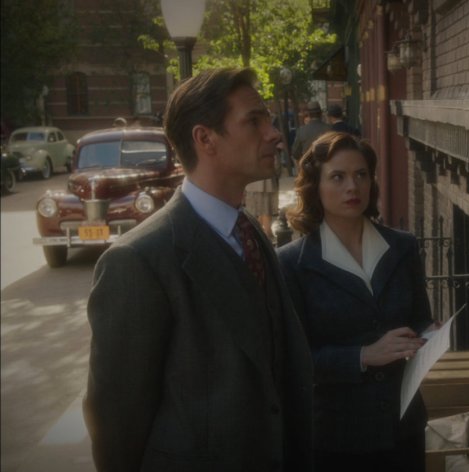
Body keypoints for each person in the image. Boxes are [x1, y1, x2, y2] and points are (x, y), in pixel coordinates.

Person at [83, 67, 313, 471]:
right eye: (254, 121)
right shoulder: (138, 261)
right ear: (205, 139)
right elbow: (116, 422)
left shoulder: (250, 233)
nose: (275, 134)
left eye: (270, 120)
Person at [277, 131, 436, 472]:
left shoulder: (403, 247)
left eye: (361, 175)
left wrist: (429, 336)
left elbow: (420, 319)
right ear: (315, 187)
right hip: (336, 438)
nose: (353, 186)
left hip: (402, 429)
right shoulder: (292, 264)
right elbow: (295, 361)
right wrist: (363, 356)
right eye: (338, 177)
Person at [290, 100, 331, 166]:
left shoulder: (302, 130)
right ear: (320, 113)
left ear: (309, 114)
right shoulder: (329, 129)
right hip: (325, 166)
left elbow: (295, 153)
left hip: (308, 167)